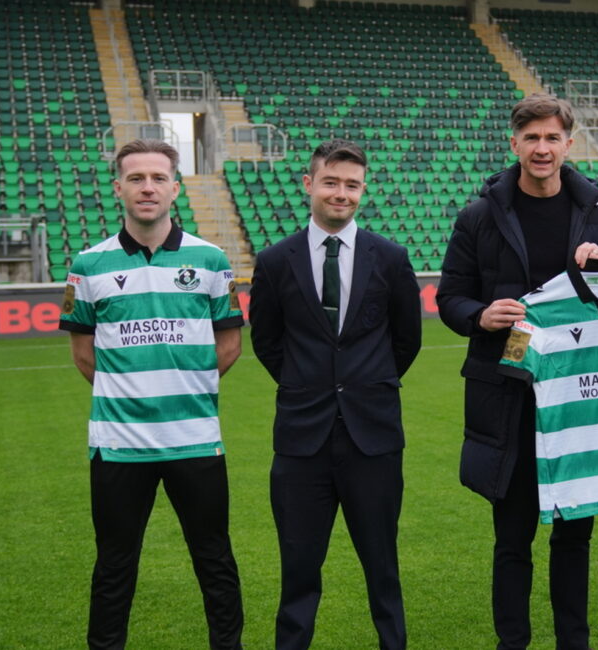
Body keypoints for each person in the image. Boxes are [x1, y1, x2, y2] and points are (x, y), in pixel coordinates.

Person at [437, 93, 598, 650]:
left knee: (574, 534)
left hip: (574, 394)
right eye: (531, 138)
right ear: (513, 143)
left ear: (569, 144)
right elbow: (450, 296)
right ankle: (512, 643)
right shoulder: (478, 214)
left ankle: (575, 641)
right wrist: (481, 315)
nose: (542, 148)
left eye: (552, 138)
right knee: (513, 537)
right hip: (508, 395)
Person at [59, 138, 244, 649]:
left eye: (158, 178)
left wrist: (183, 391)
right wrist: (132, 395)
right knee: (115, 565)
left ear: (175, 188)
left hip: (195, 438)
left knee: (214, 559)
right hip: (119, 443)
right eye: (136, 178)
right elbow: (82, 353)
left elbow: (229, 346)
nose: (147, 187)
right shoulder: (87, 265)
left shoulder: (210, 259)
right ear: (118, 187)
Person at [249, 139, 421, 650]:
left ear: (363, 190)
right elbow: (267, 341)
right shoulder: (275, 260)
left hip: (374, 437)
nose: (340, 194)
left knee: (383, 570)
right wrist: (310, 382)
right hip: (303, 440)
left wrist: (366, 383)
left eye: (351, 185)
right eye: (331, 182)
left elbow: (405, 340)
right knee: (298, 573)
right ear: (309, 184)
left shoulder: (389, 257)